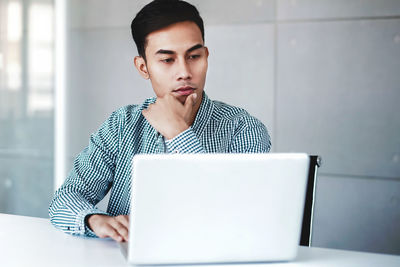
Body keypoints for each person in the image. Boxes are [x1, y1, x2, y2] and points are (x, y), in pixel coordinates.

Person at [49, 0, 271, 243]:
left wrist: (179, 134)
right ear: (143, 67)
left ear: (206, 57)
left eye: (194, 56)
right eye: (167, 60)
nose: (184, 72)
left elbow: (240, 217)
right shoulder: (122, 124)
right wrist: (94, 219)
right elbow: (66, 198)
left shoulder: (244, 129)